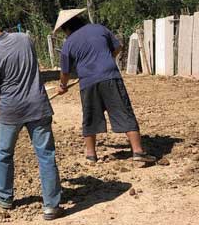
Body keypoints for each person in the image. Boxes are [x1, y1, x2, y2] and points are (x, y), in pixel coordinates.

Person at [0, 16, 62, 220]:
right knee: (46, 155)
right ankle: (51, 206)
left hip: (11, 111)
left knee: (4, 153)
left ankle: (4, 198)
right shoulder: (24, 39)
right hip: (37, 106)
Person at [54, 9, 156, 164]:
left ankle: (91, 155)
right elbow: (118, 47)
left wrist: (62, 86)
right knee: (124, 111)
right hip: (110, 77)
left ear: (66, 28)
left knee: (90, 116)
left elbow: (65, 72)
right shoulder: (99, 29)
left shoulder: (68, 43)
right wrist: (108, 59)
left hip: (87, 82)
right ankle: (138, 151)